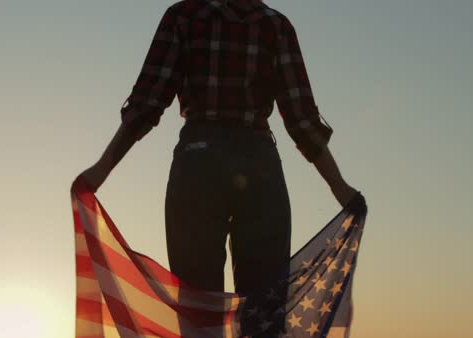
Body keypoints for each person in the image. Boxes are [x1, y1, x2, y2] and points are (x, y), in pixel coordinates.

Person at [77, 0, 365, 338]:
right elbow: (300, 118)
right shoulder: (249, 23)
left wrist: (341, 188)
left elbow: (149, 103)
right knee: (248, 308)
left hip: (213, 161)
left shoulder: (206, 19)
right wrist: (101, 170)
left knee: (223, 309)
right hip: (239, 162)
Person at [79, 0, 363, 296]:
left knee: (198, 304)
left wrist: (102, 169)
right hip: (258, 165)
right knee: (263, 305)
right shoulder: (275, 26)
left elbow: (147, 103)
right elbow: (301, 118)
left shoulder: (184, 16)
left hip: (199, 162)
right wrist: (338, 186)